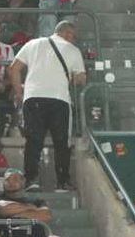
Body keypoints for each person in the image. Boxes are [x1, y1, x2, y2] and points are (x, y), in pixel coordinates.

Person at [8, 19, 87, 192]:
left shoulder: (33, 44)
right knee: (61, 141)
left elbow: (13, 68)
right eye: (72, 36)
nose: (73, 40)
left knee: (33, 140)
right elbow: (81, 78)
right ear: (67, 33)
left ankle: (31, 180)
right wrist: (71, 76)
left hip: (33, 97)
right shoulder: (73, 50)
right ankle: (62, 182)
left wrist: (19, 92)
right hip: (59, 99)